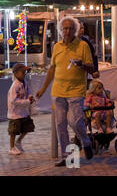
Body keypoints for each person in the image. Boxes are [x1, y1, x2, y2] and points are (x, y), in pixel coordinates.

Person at [36, 16, 94, 167]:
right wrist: (43, 89)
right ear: (60, 31)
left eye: (70, 28)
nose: (67, 31)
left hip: (76, 90)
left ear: (75, 30)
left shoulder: (82, 46)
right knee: (60, 125)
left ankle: (86, 141)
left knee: (74, 122)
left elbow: (92, 68)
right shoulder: (57, 46)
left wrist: (82, 65)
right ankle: (68, 157)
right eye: (65, 29)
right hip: (58, 91)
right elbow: (52, 69)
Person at [7, 63, 35, 155]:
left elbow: (28, 91)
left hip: (23, 112)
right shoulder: (14, 86)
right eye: (23, 72)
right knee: (13, 131)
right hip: (15, 113)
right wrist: (27, 101)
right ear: (15, 73)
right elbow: (13, 101)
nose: (25, 73)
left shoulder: (25, 82)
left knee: (28, 127)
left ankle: (18, 142)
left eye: (25, 72)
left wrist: (30, 97)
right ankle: (11, 148)